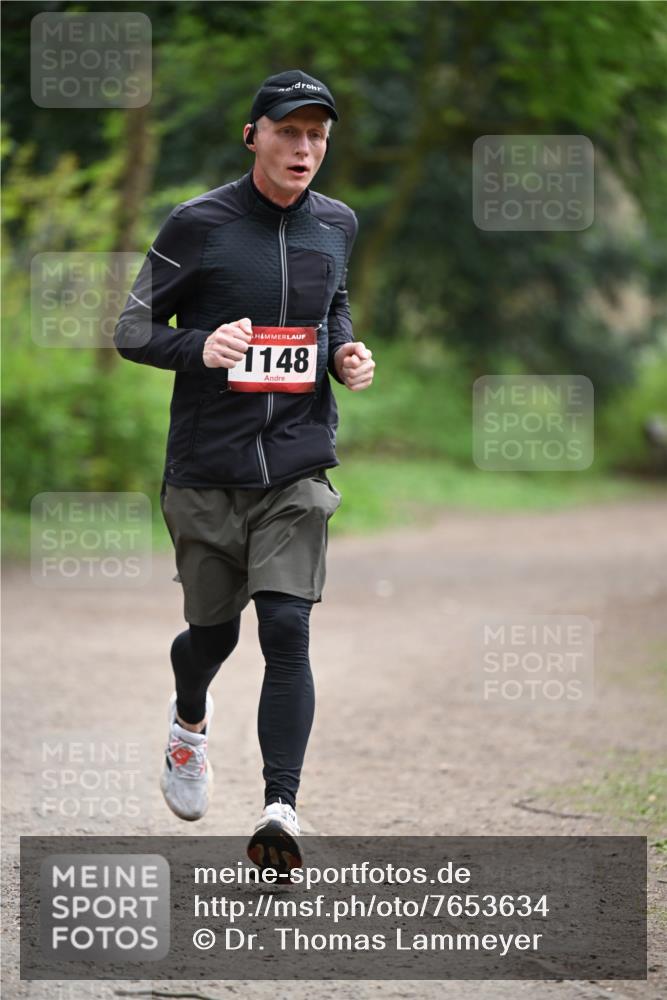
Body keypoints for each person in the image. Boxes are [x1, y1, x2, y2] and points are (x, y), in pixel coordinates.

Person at [114, 70, 375, 871]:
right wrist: (199, 346)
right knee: (212, 633)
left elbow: (331, 304)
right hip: (207, 465)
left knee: (287, 625)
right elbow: (130, 327)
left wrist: (343, 350)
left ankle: (279, 811)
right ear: (252, 135)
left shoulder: (337, 223)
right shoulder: (200, 224)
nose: (304, 148)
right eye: (288, 132)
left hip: (297, 461)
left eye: (317, 136)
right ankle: (189, 720)